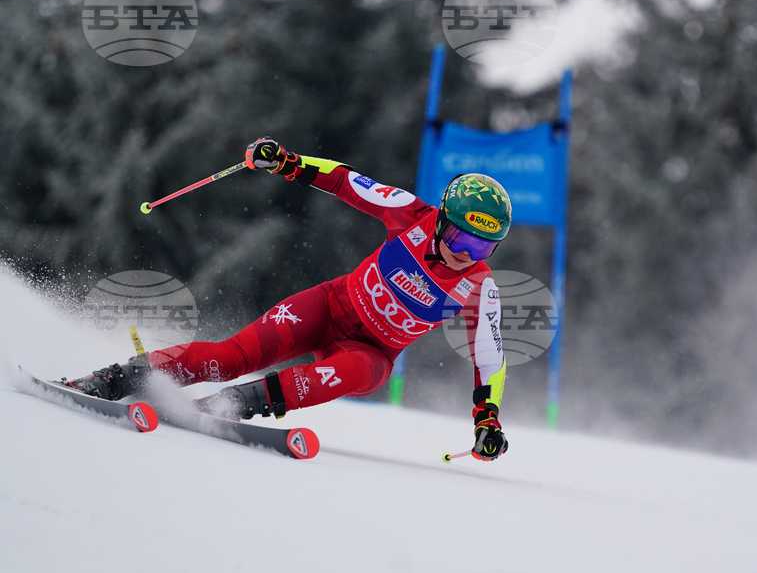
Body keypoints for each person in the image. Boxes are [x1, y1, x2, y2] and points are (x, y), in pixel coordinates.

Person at [65, 138, 510, 461]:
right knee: (233, 355)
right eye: (458, 237)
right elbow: (344, 181)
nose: (463, 254)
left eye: (481, 248)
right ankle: (116, 379)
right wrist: (286, 162)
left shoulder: (480, 285)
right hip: (330, 307)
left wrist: (486, 419)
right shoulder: (411, 214)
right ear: (441, 221)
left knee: (351, 371)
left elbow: (489, 357)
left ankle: (228, 405)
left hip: (371, 352)